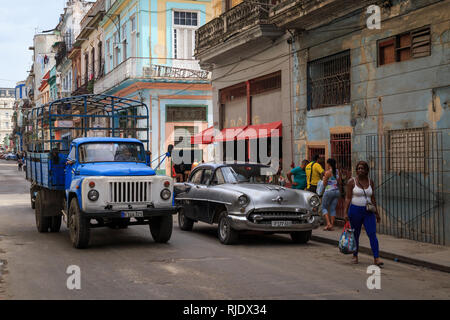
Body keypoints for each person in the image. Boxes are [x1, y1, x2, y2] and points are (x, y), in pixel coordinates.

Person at [343, 161, 383, 267]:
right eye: (358, 168)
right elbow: (347, 198)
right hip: (355, 211)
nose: (360, 170)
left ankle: (376, 258)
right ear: (356, 170)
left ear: (366, 171)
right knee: (355, 234)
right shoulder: (351, 182)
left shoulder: (371, 182)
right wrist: (345, 212)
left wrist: (377, 213)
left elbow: (373, 198)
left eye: (362, 168)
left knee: (372, 234)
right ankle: (355, 256)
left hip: (368, 212)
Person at [321, 158, 342, 231]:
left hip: (329, 191)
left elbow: (324, 184)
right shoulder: (337, 172)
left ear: (329, 164)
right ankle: (332, 225)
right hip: (336, 191)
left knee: (323, 207)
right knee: (333, 208)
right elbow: (339, 182)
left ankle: (328, 224)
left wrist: (323, 178)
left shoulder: (327, 173)